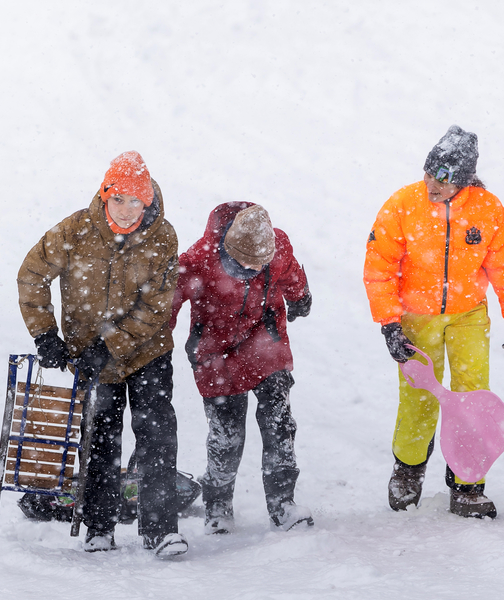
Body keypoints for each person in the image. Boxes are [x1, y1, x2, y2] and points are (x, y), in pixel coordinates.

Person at [17, 151, 188, 555]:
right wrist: (45, 334)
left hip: (147, 352)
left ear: (148, 202)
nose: (127, 211)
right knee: (98, 439)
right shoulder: (76, 229)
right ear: (105, 194)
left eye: (137, 202)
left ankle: (161, 530)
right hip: (91, 359)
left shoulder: (163, 236)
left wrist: (109, 345)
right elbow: (32, 274)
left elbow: (157, 304)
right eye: (119, 200)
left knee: (157, 435)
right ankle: (100, 527)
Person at [363, 125, 504, 519]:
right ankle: (407, 470)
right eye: (428, 175)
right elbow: (379, 268)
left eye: (443, 180)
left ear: (464, 180)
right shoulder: (402, 205)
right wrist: (389, 323)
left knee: (474, 397)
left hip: (469, 316)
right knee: (419, 396)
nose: (432, 186)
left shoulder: (489, 210)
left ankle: (468, 485)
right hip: (416, 317)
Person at [171, 202, 314, 534]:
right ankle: (218, 507)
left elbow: (290, 271)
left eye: (258, 262)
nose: (251, 266)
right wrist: (153, 341)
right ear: (227, 248)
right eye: (242, 260)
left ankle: (283, 505)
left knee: (279, 423)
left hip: (266, 341)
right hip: (215, 352)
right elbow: (169, 300)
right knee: (227, 435)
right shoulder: (199, 260)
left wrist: (300, 296)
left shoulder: (277, 248)